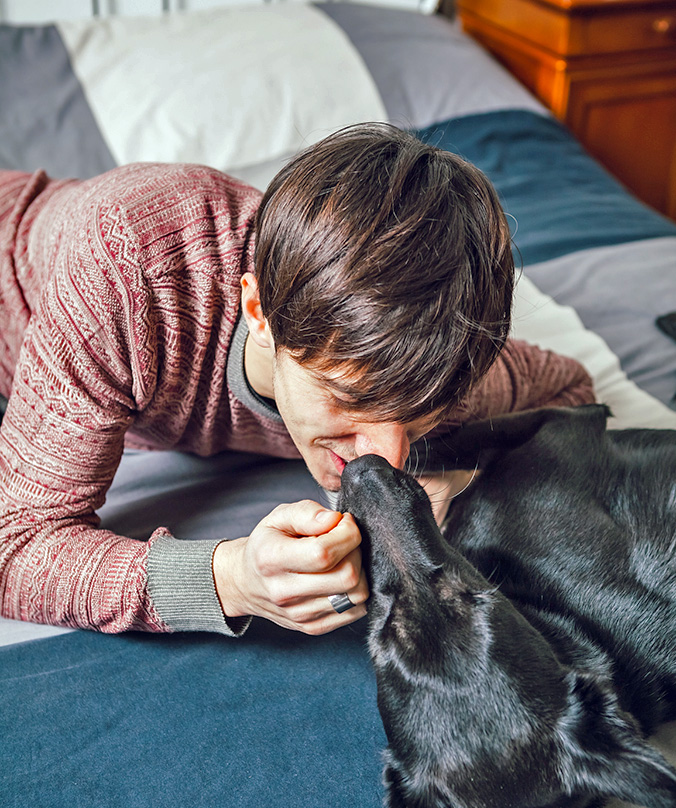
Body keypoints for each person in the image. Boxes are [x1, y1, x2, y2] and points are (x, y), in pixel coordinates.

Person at [0, 123, 593, 639]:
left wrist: (459, 484)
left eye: (417, 423)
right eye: (350, 399)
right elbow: (13, 547)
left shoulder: (429, 359)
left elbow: (570, 389)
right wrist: (231, 580)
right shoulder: (126, 268)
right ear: (258, 312)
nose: (384, 460)